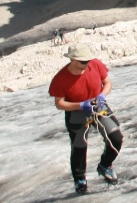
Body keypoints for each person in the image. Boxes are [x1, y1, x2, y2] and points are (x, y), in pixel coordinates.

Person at [49, 43, 122, 194]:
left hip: (98, 106)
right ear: (73, 60)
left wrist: (102, 96)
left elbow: (107, 83)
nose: (87, 64)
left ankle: (105, 165)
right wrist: (81, 105)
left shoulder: (95, 64)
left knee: (116, 137)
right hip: (77, 111)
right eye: (83, 61)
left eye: (88, 60)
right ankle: (79, 179)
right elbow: (59, 103)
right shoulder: (61, 78)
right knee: (79, 146)